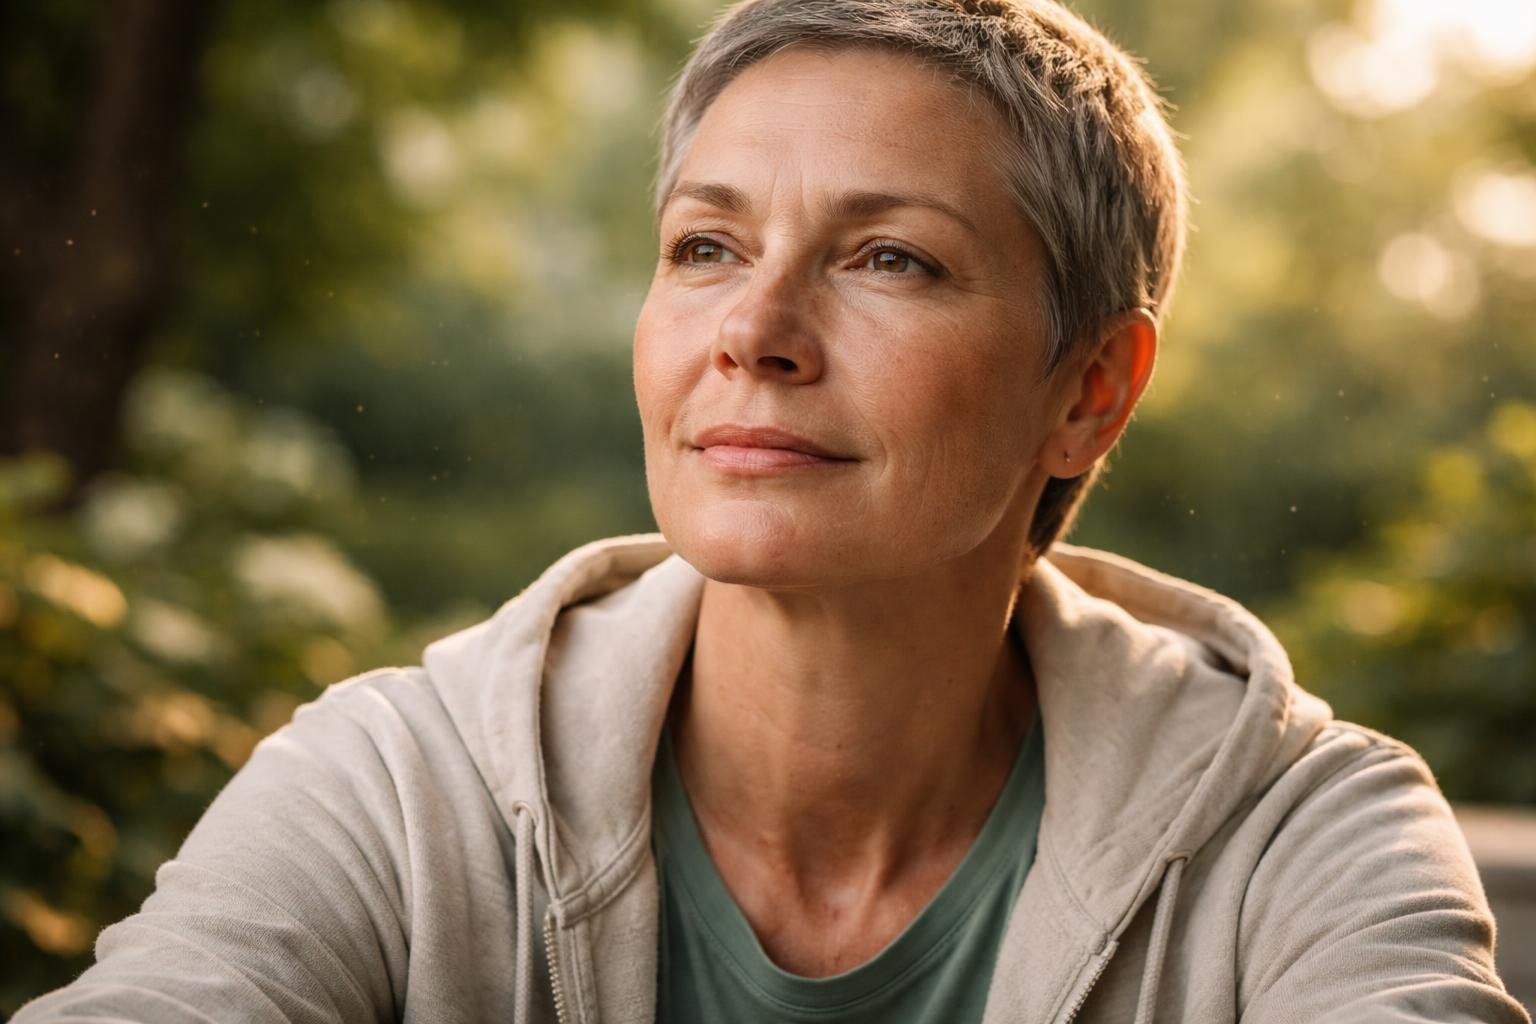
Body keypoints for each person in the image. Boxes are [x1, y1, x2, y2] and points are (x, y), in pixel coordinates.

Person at [14, 0, 1528, 1021]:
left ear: (1091, 390)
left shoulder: (1308, 836)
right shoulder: (401, 789)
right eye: (704, 247)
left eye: (892, 260)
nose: (756, 329)